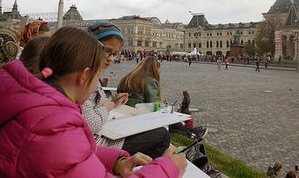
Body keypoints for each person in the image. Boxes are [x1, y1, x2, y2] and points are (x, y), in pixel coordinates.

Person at [0, 26, 186, 177]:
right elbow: (64, 148)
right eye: (97, 75)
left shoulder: (37, 103)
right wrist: (168, 170)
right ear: (84, 76)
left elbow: (73, 156)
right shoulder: (53, 124)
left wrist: (116, 162)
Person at [83, 22, 171, 160]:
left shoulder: (94, 75)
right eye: (107, 51)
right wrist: (109, 106)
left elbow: (94, 109)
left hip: (101, 136)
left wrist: (113, 103)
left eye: (115, 54)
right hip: (98, 145)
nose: (111, 59)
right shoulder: (82, 78)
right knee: (162, 135)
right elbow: (91, 124)